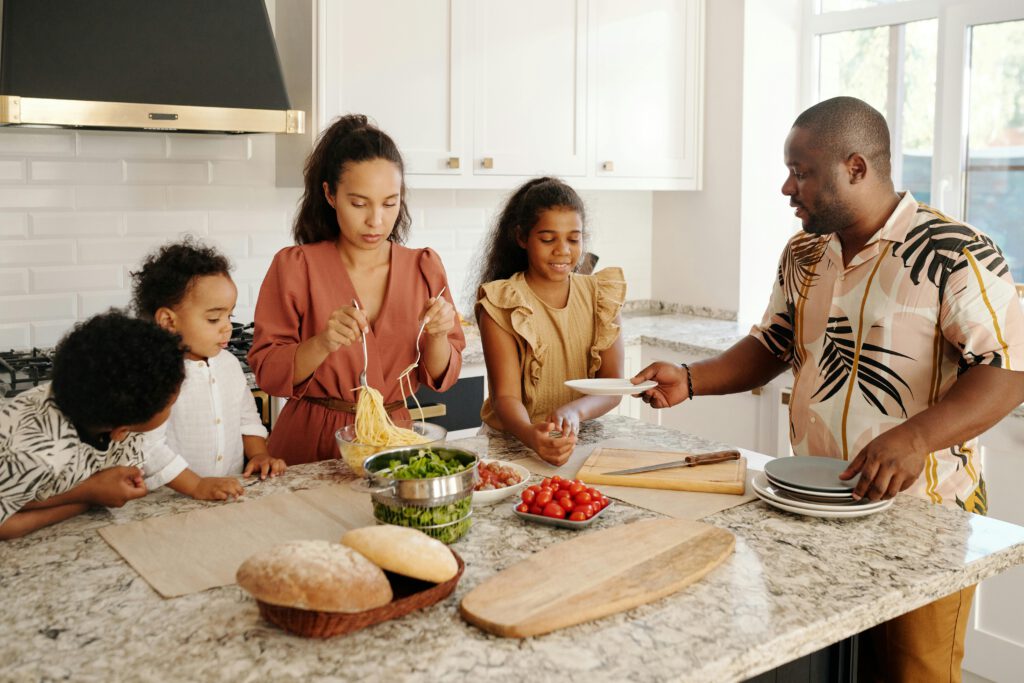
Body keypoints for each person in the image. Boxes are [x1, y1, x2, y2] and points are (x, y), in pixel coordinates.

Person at [633, 96, 1024, 683]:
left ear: (857, 168)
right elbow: (774, 343)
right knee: (820, 666)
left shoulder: (954, 252)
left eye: (802, 171)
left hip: (921, 520)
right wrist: (691, 380)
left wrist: (914, 438)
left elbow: (1008, 371)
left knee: (911, 674)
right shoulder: (804, 252)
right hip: (810, 505)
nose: (788, 187)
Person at [249, 114, 465, 464]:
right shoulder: (295, 267)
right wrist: (322, 343)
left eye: (389, 203)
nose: (375, 221)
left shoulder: (424, 267)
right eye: (359, 203)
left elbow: (441, 376)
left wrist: (439, 335)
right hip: (310, 445)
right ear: (330, 194)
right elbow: (269, 375)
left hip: (394, 442)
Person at [475, 177, 626, 465]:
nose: (563, 250)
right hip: (512, 445)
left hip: (579, 438)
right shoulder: (501, 301)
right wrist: (531, 434)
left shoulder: (601, 296)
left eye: (573, 238)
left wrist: (575, 412)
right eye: (548, 239)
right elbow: (505, 398)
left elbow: (613, 386)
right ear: (522, 238)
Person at [0, 311, 184, 540]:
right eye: (171, 403)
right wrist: (89, 496)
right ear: (120, 431)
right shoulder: (41, 456)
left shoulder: (95, 408)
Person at [131, 239, 286, 500]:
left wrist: (259, 455)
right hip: (166, 503)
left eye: (230, 316)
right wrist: (196, 486)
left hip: (226, 494)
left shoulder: (228, 364)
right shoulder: (152, 374)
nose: (227, 327)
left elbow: (247, 421)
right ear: (169, 320)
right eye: (214, 319)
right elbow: (147, 448)